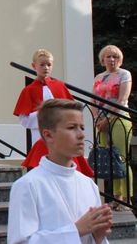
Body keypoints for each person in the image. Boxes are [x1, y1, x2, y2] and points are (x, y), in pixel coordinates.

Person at [7, 99, 112, 244]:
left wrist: (98, 237)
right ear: (48, 135)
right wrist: (76, 230)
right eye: (72, 127)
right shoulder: (28, 185)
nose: (81, 135)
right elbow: (20, 242)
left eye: (82, 127)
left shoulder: (89, 185)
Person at [14, 49, 93, 176]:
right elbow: (23, 120)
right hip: (40, 136)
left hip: (63, 134)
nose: (46, 67)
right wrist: (44, 114)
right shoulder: (28, 90)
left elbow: (71, 111)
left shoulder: (60, 86)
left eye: (49, 65)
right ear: (34, 66)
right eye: (42, 64)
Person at [92, 45, 133, 210]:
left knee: (121, 159)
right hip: (101, 122)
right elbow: (93, 99)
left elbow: (122, 100)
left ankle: (125, 199)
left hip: (119, 120)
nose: (112, 59)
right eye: (108, 56)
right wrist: (97, 119)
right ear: (103, 59)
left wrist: (108, 119)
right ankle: (115, 199)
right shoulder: (99, 76)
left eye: (115, 56)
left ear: (120, 59)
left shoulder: (124, 74)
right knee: (108, 160)